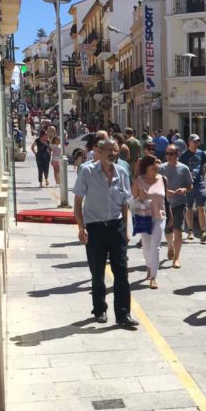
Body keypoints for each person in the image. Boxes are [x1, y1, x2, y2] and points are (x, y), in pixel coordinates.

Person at [73, 138, 138, 328]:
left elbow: (125, 203)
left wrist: (126, 228)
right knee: (97, 271)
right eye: (108, 149)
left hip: (116, 226)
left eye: (115, 150)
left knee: (121, 271)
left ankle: (123, 314)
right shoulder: (87, 171)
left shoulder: (122, 172)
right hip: (95, 227)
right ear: (99, 152)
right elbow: (78, 201)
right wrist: (81, 227)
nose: (111, 153)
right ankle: (100, 309)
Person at [132, 155, 170, 288]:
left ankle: (153, 276)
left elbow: (166, 200)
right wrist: (139, 196)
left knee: (156, 246)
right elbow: (133, 197)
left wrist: (169, 216)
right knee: (147, 246)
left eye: (157, 163)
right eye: (154, 163)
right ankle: (149, 266)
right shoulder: (139, 181)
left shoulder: (163, 179)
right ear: (147, 166)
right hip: (144, 217)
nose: (157, 165)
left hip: (160, 216)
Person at [159, 145, 193, 267]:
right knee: (168, 231)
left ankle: (176, 258)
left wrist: (184, 189)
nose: (168, 156)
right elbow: (155, 184)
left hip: (180, 203)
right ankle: (170, 247)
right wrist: (165, 191)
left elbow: (190, 186)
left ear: (177, 154)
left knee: (177, 230)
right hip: (165, 204)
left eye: (171, 154)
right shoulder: (161, 168)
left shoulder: (184, 169)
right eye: (167, 153)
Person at [179, 134, 206, 242]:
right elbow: (180, 171)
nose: (197, 143)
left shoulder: (202, 153)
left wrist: (201, 177)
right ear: (189, 142)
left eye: (198, 141)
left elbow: (203, 167)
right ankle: (191, 231)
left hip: (199, 183)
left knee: (201, 207)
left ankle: (203, 231)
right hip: (188, 185)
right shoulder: (183, 156)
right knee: (189, 207)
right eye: (195, 141)